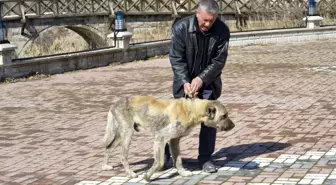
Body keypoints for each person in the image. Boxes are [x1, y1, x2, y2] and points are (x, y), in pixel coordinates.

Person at [166, 0, 230, 173]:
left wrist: (201, 79)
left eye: (212, 20)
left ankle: (205, 158)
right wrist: (185, 81)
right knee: (176, 119)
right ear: (196, 13)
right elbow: (176, 58)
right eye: (204, 20)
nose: (208, 24)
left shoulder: (222, 31)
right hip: (184, 82)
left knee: (210, 120)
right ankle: (165, 155)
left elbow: (219, 61)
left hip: (209, 82)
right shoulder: (181, 28)